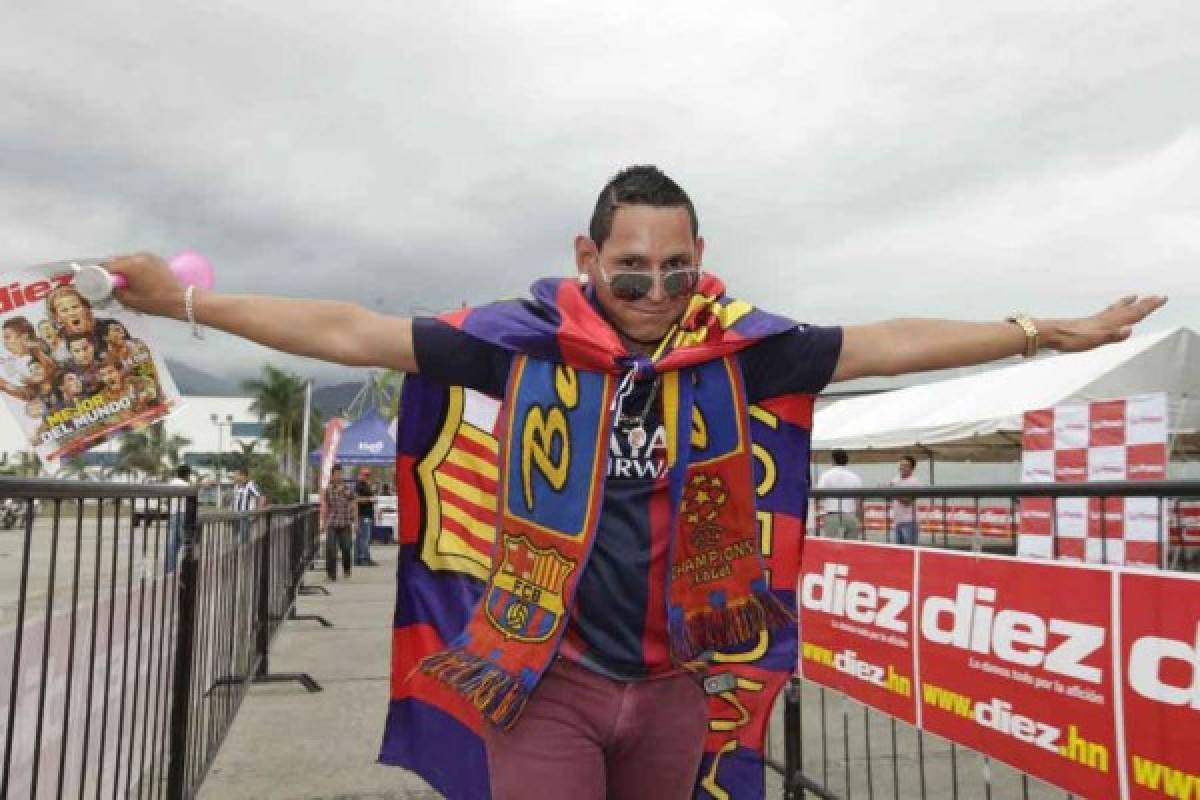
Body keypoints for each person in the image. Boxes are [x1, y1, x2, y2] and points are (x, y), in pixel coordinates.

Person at [106, 165, 1165, 800]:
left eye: (677, 271)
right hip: (542, 676)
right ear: (587, 254)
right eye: (630, 270)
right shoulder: (520, 343)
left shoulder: (742, 347)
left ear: (701, 257)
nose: (656, 293)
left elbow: (885, 340)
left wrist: (1042, 332)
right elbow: (350, 327)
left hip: (676, 684)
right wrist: (182, 308)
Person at [816, 449, 864, 539]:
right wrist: (859, 520)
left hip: (832, 515)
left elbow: (819, 495)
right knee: (851, 547)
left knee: (832, 548)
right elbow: (859, 501)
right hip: (850, 515)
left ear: (833, 460)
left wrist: (819, 511)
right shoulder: (855, 477)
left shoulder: (826, 475)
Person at [323, 463, 356, 580]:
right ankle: (330, 574)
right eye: (336, 474)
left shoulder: (348, 490)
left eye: (340, 474)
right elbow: (326, 506)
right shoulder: (328, 490)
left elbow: (354, 504)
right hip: (332, 523)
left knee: (346, 548)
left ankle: (347, 569)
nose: (338, 476)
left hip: (345, 523)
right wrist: (323, 522)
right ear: (332, 476)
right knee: (330, 549)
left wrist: (355, 522)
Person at [889, 455, 922, 545]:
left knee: (910, 549)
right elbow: (890, 497)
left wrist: (893, 492)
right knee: (899, 551)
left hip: (910, 522)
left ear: (912, 468)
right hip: (897, 521)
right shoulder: (895, 479)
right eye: (901, 465)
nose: (902, 467)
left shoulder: (914, 482)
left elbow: (908, 501)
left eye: (905, 465)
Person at [167, 464, 193, 574]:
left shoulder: (171, 483)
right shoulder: (185, 484)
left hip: (173, 513)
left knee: (174, 542)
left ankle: (170, 569)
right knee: (186, 541)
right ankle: (186, 568)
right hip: (182, 514)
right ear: (187, 474)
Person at [354, 467, 379, 566]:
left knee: (361, 537)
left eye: (368, 475)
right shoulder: (359, 485)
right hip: (363, 514)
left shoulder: (365, 485)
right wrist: (370, 499)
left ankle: (358, 558)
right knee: (365, 537)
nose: (367, 477)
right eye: (365, 475)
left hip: (367, 514)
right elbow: (356, 499)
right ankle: (364, 558)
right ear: (361, 475)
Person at [231, 467, 263, 544]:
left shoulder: (250, 485)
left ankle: (244, 554)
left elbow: (260, 498)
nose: (234, 476)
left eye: (236, 475)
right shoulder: (237, 486)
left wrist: (257, 514)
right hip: (236, 516)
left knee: (244, 540)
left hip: (246, 517)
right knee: (235, 540)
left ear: (243, 475)